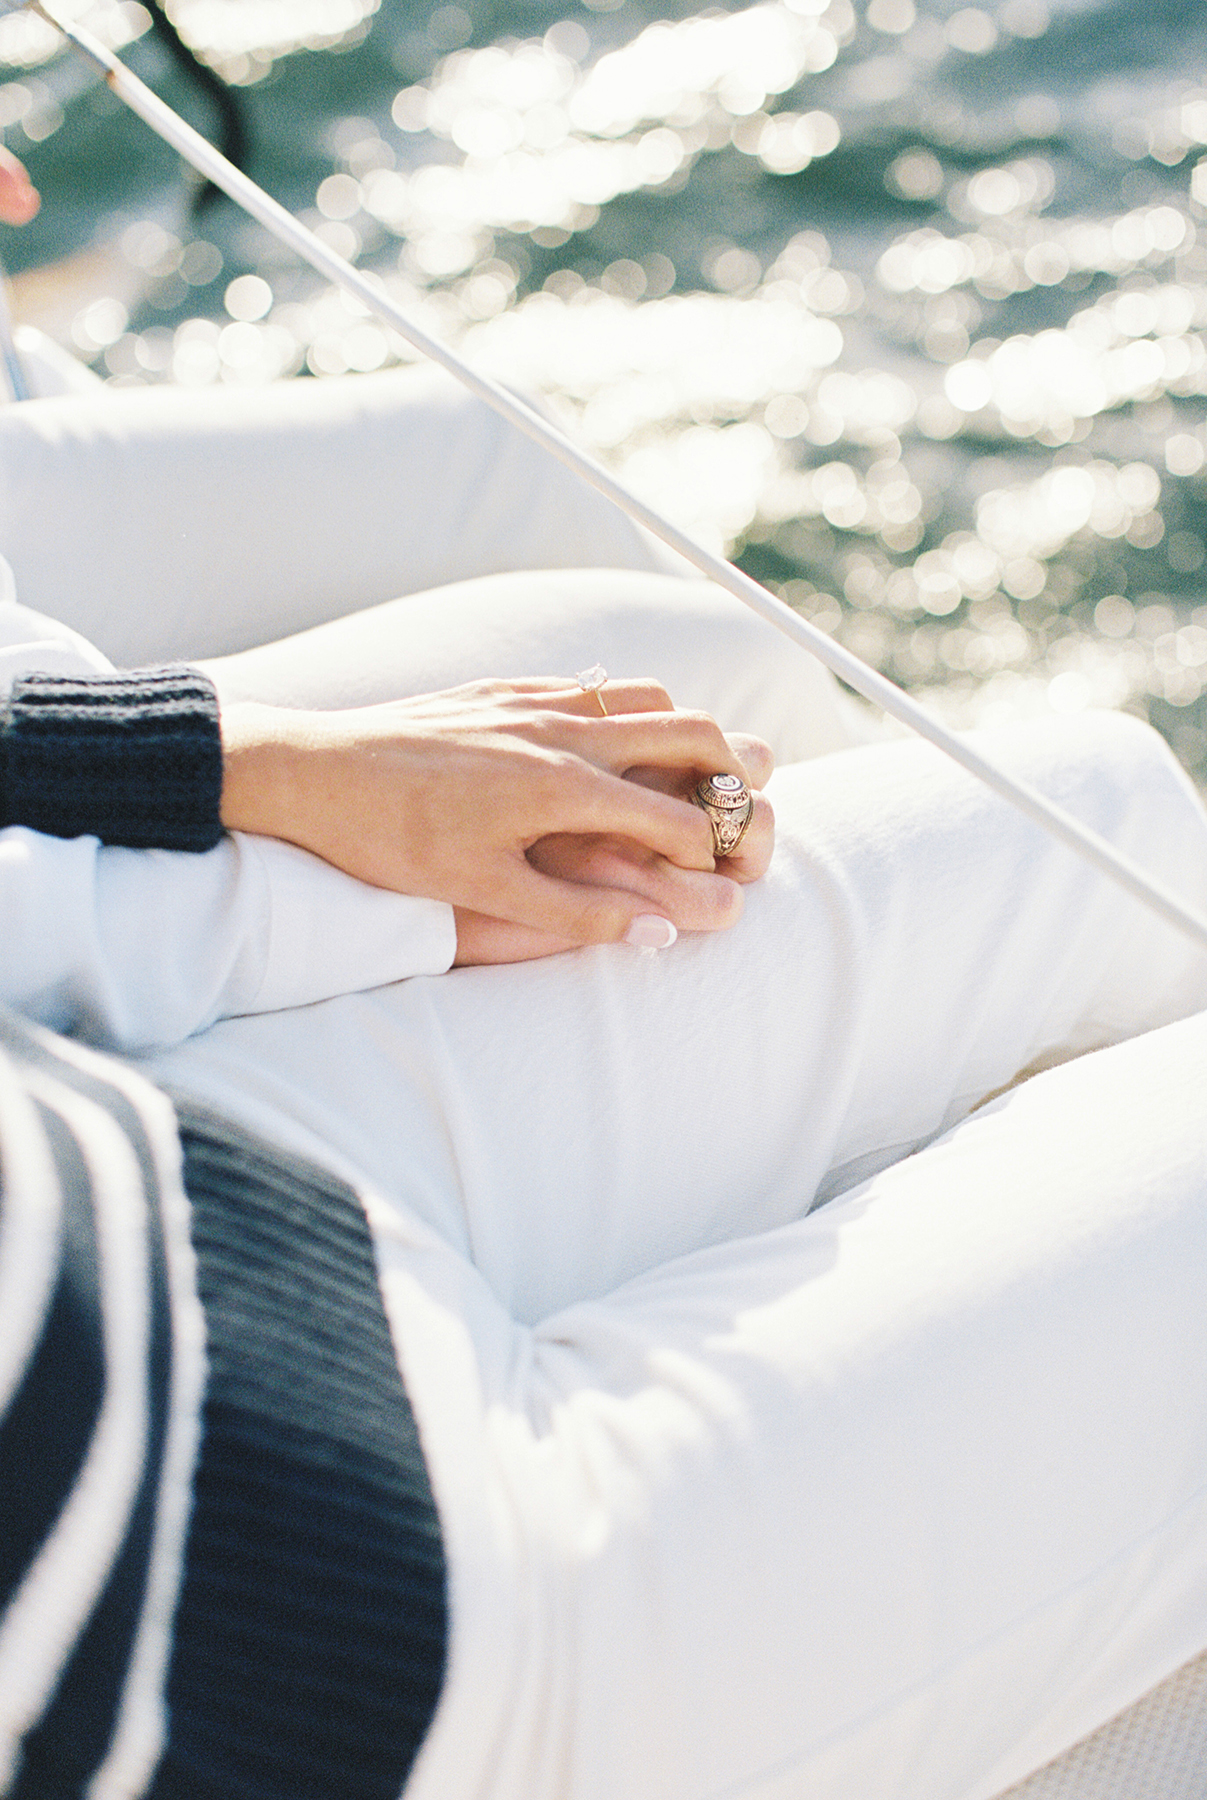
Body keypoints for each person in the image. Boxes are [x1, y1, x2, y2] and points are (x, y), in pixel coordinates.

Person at [5, 147, 1207, 1800]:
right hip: (300, 1641)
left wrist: (266, 797)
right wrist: (348, 889)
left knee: (1098, 808)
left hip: (149, 1180)